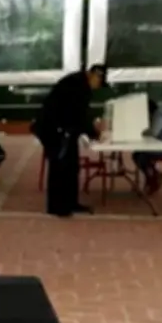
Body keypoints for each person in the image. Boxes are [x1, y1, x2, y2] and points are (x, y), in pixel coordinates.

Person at [32, 64, 108, 217]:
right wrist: (94, 133)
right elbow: (79, 115)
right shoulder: (77, 85)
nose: (98, 87)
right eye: (99, 82)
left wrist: (91, 131)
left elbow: (80, 115)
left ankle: (71, 203)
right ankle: (57, 207)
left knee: (72, 167)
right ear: (94, 75)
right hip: (53, 129)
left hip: (65, 129)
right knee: (60, 167)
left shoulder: (79, 83)